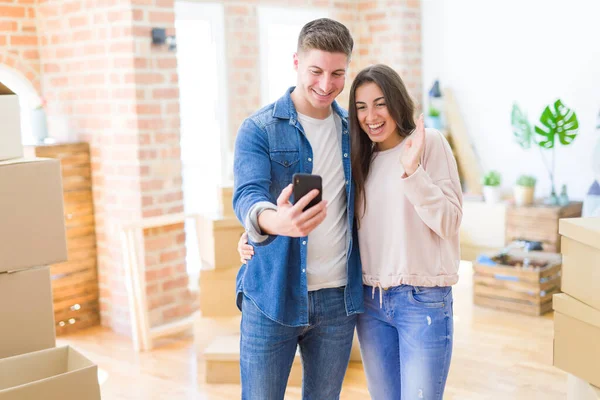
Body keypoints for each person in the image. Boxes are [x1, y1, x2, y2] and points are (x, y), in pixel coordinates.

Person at [239, 64, 463, 400]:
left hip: (421, 299)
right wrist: (257, 230)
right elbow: (344, 223)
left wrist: (413, 173)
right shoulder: (360, 155)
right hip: (371, 302)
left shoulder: (428, 144)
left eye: (380, 103)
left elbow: (448, 222)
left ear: (398, 102)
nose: (371, 116)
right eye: (361, 106)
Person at [232, 18, 363, 400]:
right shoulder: (259, 129)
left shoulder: (352, 132)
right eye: (316, 71)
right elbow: (247, 195)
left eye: (338, 73)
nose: (326, 85)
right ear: (296, 62)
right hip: (272, 293)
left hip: (338, 299)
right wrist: (274, 221)